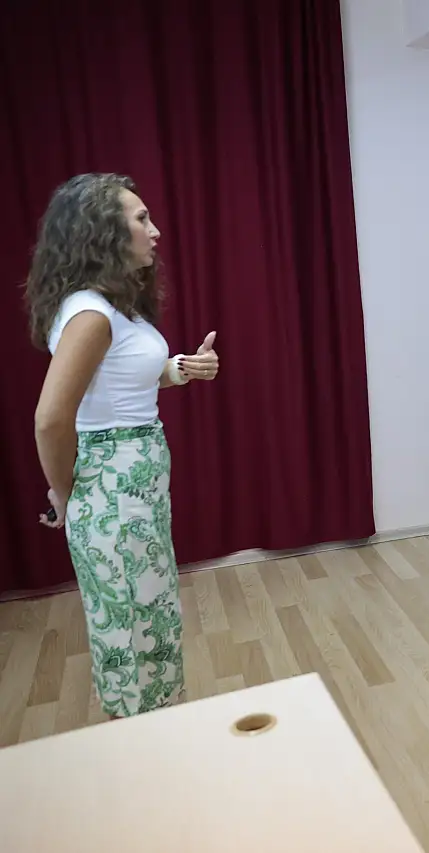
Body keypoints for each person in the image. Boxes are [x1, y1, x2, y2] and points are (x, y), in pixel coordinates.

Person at [27, 173, 222, 718]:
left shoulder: (109, 305)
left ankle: (158, 727)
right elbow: (51, 419)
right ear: (103, 232)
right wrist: (65, 492)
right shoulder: (91, 315)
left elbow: (122, 382)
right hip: (112, 490)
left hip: (135, 488)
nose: (154, 231)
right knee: (130, 631)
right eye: (141, 219)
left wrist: (181, 369)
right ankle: (140, 741)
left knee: (149, 616)